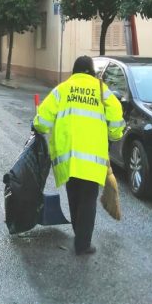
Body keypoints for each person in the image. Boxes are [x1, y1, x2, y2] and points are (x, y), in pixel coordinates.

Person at [32, 56, 125, 255]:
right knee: (88, 200)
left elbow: (43, 120)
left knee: (74, 196)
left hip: (69, 158)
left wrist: (37, 125)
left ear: (74, 72)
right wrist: (114, 134)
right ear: (92, 72)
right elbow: (116, 113)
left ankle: (78, 235)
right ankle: (83, 244)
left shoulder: (63, 89)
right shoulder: (102, 90)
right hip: (93, 157)